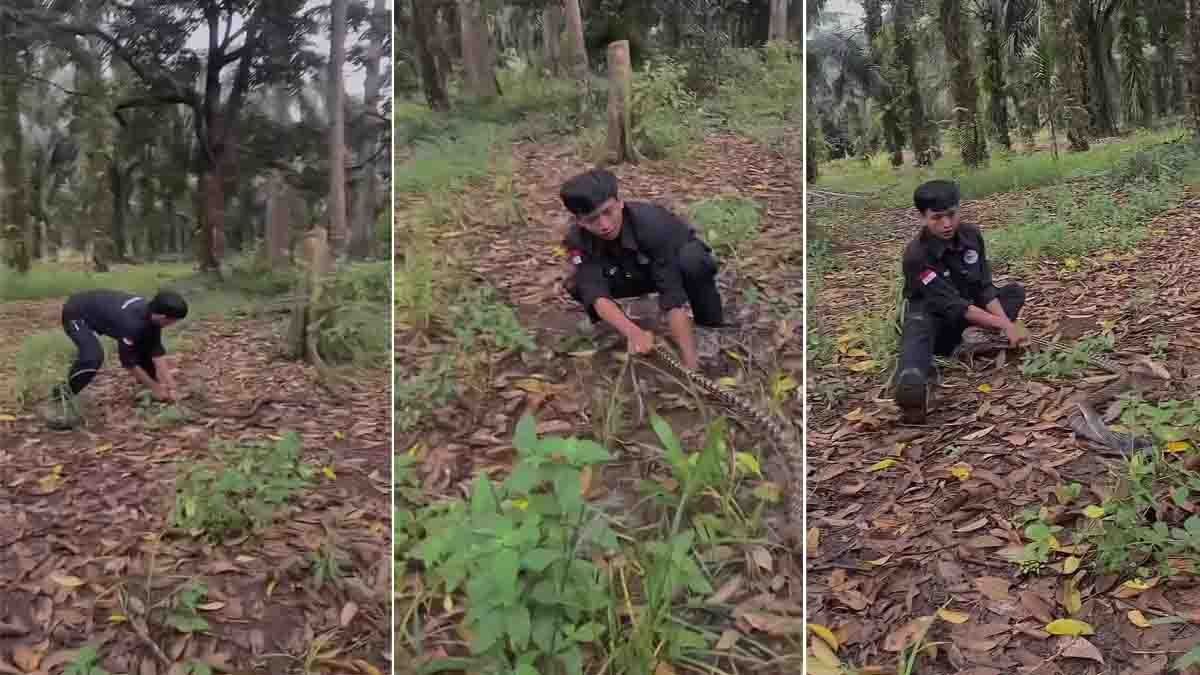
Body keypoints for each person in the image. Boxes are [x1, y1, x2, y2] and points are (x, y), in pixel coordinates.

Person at [558, 168, 728, 370]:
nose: (604, 225)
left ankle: (708, 324)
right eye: (592, 219)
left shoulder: (653, 225)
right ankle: (613, 325)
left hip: (671, 263)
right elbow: (595, 293)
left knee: (694, 261)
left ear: (620, 203)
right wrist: (634, 332)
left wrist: (691, 365)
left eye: (608, 212)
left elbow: (672, 298)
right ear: (580, 222)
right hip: (629, 270)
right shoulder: (577, 240)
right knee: (577, 284)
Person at [895, 180, 1027, 423]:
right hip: (937, 320)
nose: (946, 224)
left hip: (968, 309)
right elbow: (953, 306)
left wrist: (1005, 321)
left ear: (959, 210)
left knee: (1013, 292)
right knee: (917, 325)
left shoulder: (971, 235)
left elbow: (984, 287)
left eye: (951, 215)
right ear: (922, 217)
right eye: (936, 218)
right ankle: (912, 382)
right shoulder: (916, 256)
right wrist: (1005, 325)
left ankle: (976, 338)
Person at [55, 289, 188, 408]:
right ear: (162, 316)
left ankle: (150, 391)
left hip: (99, 309)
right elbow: (128, 363)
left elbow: (156, 352)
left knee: (145, 346)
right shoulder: (132, 323)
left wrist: (171, 385)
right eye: (173, 321)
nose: (173, 324)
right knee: (92, 357)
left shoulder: (152, 316)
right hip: (76, 313)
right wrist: (155, 388)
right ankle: (61, 396)